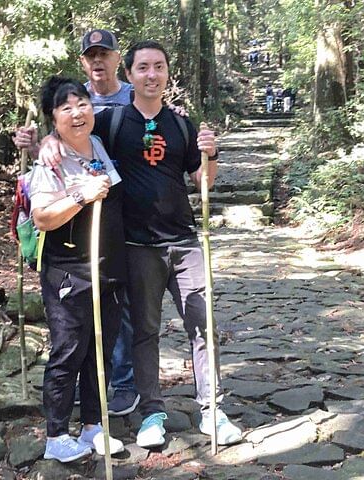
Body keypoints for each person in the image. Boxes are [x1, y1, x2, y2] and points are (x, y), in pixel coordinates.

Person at [88, 40, 242, 448]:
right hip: (138, 245)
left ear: (167, 73)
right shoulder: (111, 122)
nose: (151, 74)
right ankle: (152, 413)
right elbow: (73, 140)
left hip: (185, 242)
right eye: (143, 67)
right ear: (130, 74)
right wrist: (42, 143)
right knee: (145, 331)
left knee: (203, 325)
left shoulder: (181, 125)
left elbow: (202, 181)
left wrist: (211, 154)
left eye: (159, 66)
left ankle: (212, 409)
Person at [15, 29, 141, 418]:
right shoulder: (74, 102)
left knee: (116, 318)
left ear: (118, 59)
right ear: (84, 61)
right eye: (91, 55)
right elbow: (62, 134)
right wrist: (44, 142)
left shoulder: (133, 97)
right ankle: (71, 412)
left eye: (105, 53)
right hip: (77, 246)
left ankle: (118, 390)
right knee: (77, 332)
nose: (98, 60)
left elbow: (155, 121)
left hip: (123, 224)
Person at [29, 76, 125, 462]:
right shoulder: (50, 159)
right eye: (65, 107)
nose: (77, 112)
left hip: (109, 268)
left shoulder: (98, 143)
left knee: (99, 352)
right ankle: (56, 436)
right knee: (68, 351)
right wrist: (81, 195)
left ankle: (92, 426)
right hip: (69, 271)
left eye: (82, 103)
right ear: (53, 118)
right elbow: (42, 217)